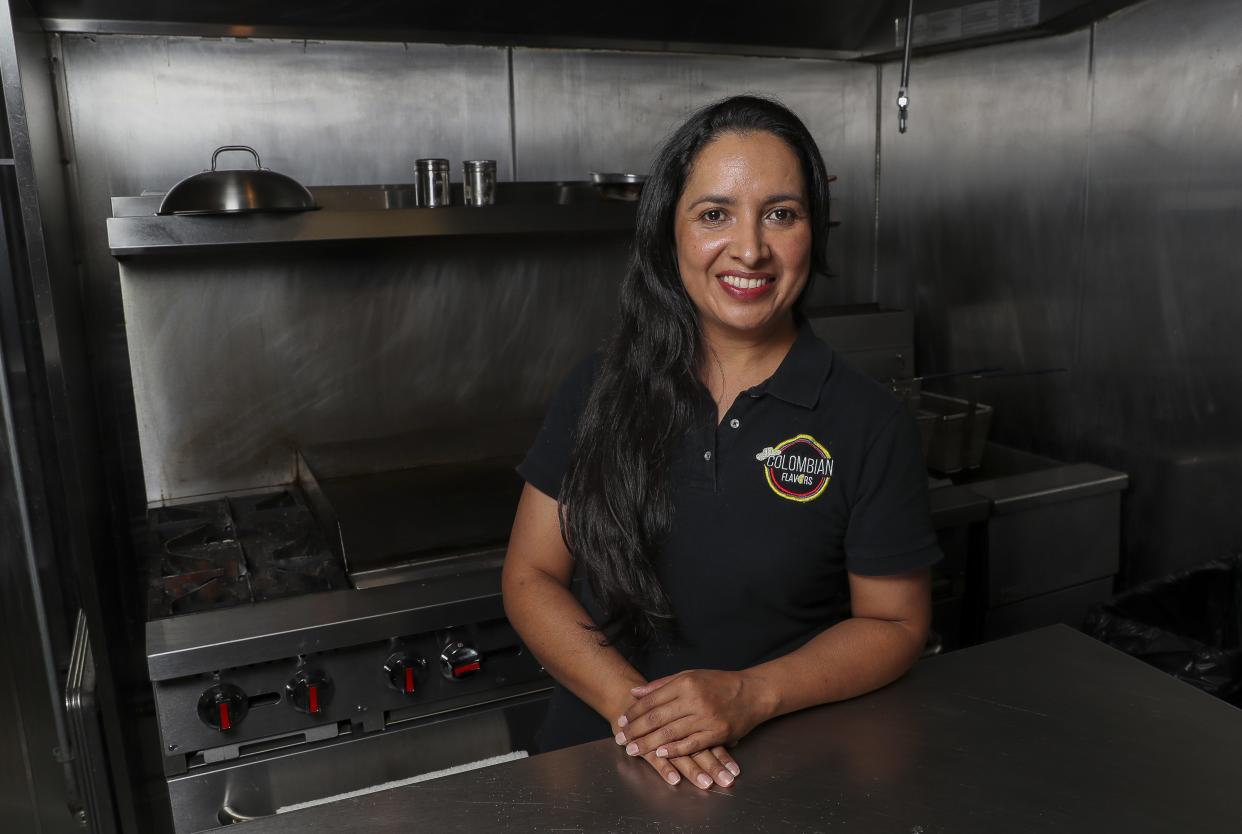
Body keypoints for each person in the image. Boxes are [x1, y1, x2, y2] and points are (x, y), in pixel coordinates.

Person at [502, 95, 939, 792]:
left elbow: (894, 624)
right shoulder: (599, 388)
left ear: (813, 233)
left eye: (781, 214)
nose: (750, 248)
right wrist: (638, 711)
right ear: (669, 234)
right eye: (715, 214)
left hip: (781, 775)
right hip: (593, 762)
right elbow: (530, 576)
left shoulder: (868, 421)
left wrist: (748, 695)